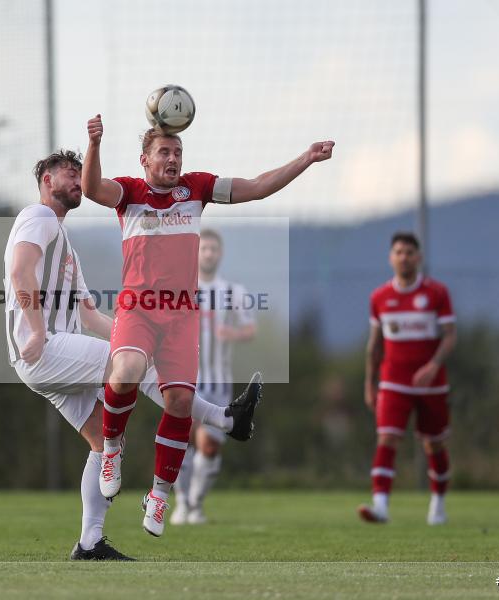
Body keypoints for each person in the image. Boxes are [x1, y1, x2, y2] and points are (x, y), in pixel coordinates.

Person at [82, 114, 334, 536]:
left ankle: (159, 496)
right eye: (164, 152)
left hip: (181, 314)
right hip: (138, 308)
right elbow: (92, 189)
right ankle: (111, 450)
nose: (173, 159)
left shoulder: (196, 188)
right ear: (145, 159)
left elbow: (257, 187)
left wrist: (305, 159)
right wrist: (94, 144)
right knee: (125, 372)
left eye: (178, 152)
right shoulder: (130, 192)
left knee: (180, 401)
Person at [4, 150, 262, 560]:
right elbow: (20, 272)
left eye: (79, 174)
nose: (77, 180)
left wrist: (141, 339)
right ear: (46, 181)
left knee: (104, 440)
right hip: (45, 347)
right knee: (130, 366)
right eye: (68, 173)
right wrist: (35, 330)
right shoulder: (39, 217)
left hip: (53, 354)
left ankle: (90, 542)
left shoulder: (66, 246)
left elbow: (90, 316)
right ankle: (224, 418)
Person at [358, 231, 457, 525]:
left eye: (409, 253)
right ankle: (380, 507)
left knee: (434, 444)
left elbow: (450, 335)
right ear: (391, 258)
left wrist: (433, 365)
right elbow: (375, 344)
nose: (404, 258)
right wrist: (369, 383)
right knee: (387, 438)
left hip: (431, 385)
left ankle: (438, 503)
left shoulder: (436, 293)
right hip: (392, 381)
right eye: (399, 252)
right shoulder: (379, 297)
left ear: (419, 258)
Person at [170, 229, 257, 525]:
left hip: (217, 380)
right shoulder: (181, 289)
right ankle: (183, 503)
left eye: (213, 249)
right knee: (182, 439)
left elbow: (250, 329)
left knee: (209, 445)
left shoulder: (232, 292)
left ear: (220, 254)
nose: (208, 254)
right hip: (185, 376)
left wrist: (232, 333)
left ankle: (196, 505)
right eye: (203, 248)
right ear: (195, 253)